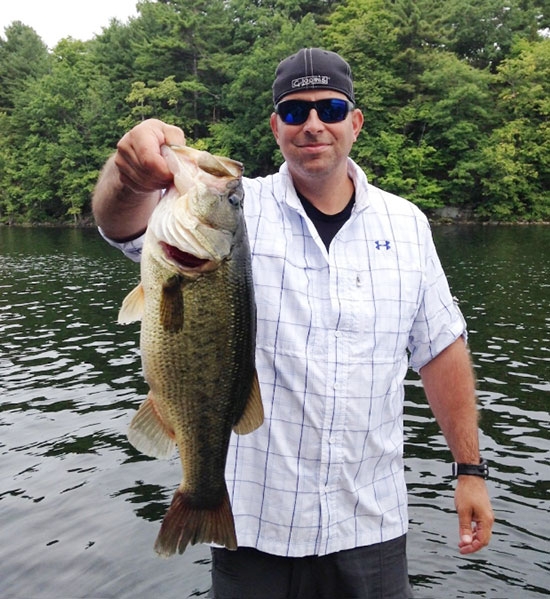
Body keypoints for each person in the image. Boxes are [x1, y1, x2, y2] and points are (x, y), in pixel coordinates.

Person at [93, 48, 494, 598]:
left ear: (354, 122)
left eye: (329, 108)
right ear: (275, 125)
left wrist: (469, 469)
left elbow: (440, 349)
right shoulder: (231, 207)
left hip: (370, 524)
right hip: (255, 526)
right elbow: (118, 221)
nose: (312, 125)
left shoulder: (408, 225)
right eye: (293, 111)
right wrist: (129, 172)